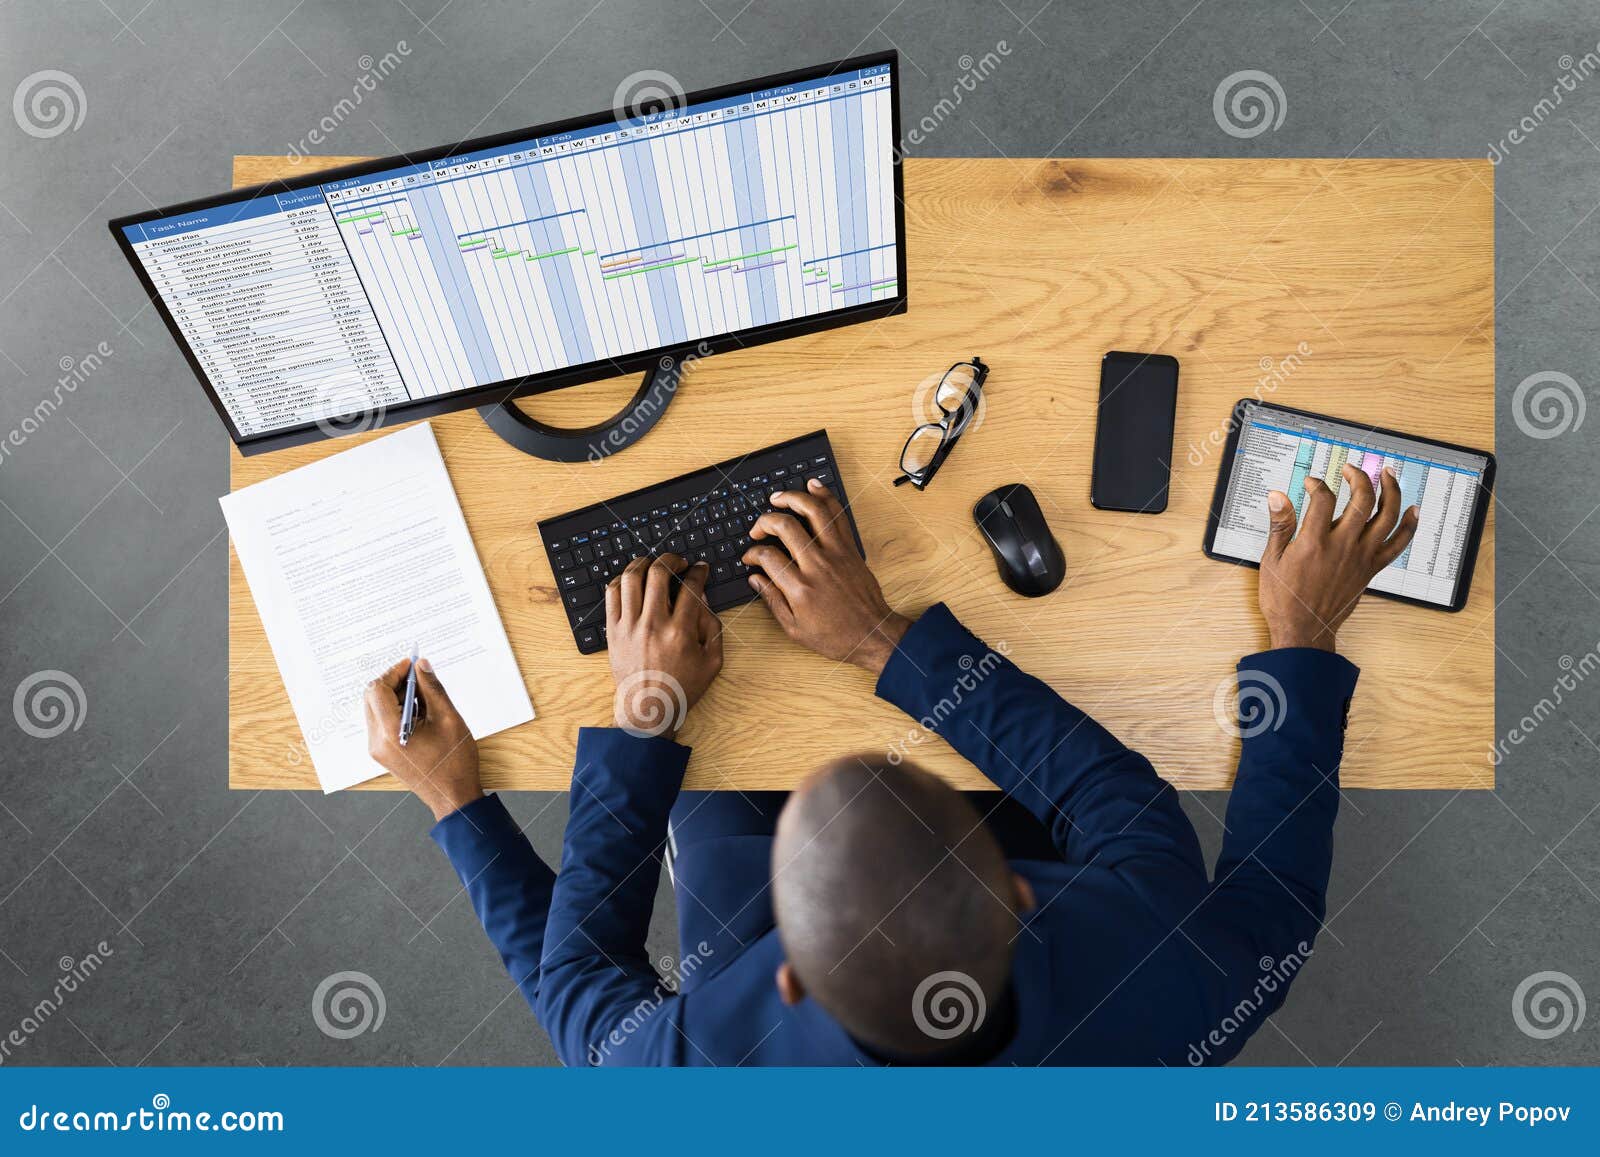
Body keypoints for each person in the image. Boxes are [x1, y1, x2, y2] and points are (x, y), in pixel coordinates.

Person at [364, 463, 1417, 1065]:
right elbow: (1240, 880)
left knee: (717, 785)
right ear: (1012, 887)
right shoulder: (1175, 974)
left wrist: (471, 790)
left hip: (780, 934)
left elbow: (581, 990)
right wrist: (877, 637)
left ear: (786, 973)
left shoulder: (702, 1082)